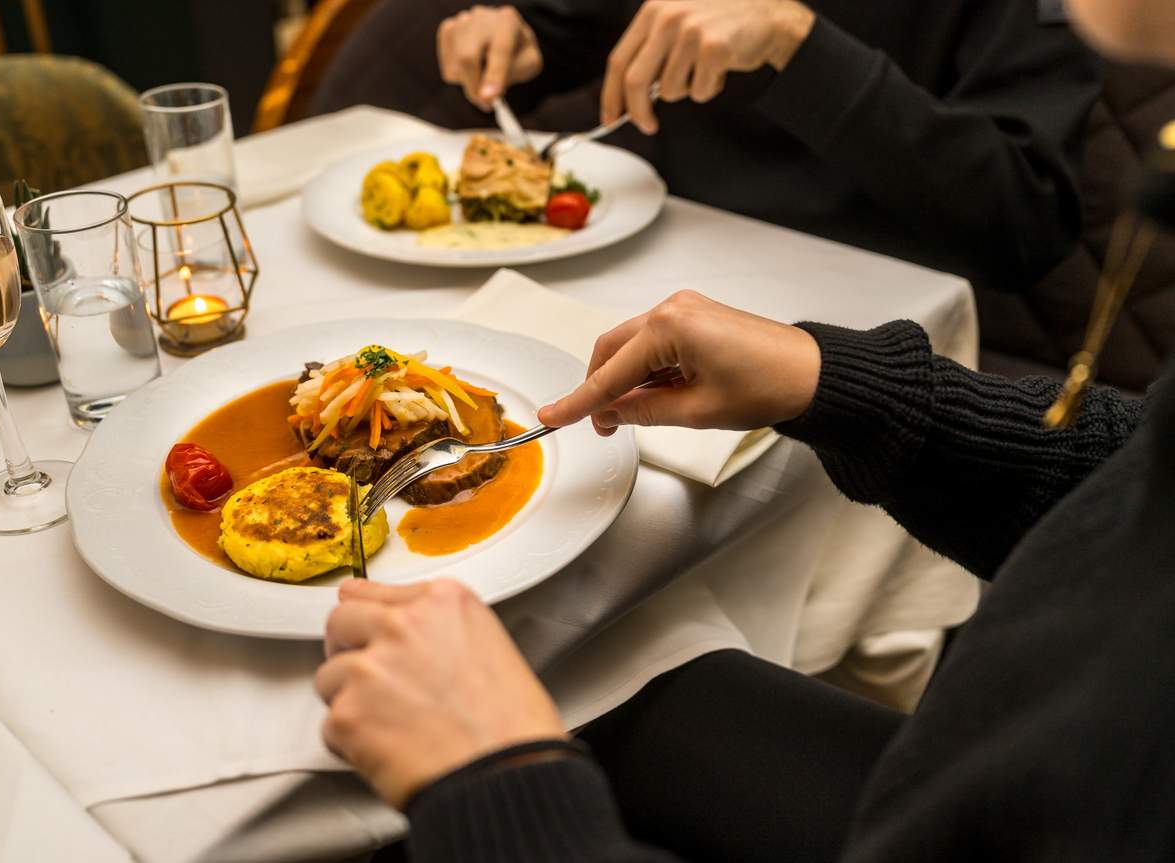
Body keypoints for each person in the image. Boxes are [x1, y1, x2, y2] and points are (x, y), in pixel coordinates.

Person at [311, 0, 1175, 859]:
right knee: (579, 671)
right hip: (970, 746)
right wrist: (836, 382)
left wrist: (496, 783)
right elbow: (1135, 475)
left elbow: (1023, 217)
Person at [424, 0, 1101, 293]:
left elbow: (1024, 224)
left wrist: (795, 41)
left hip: (863, 333)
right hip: (639, 262)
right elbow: (590, 19)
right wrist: (525, 37)